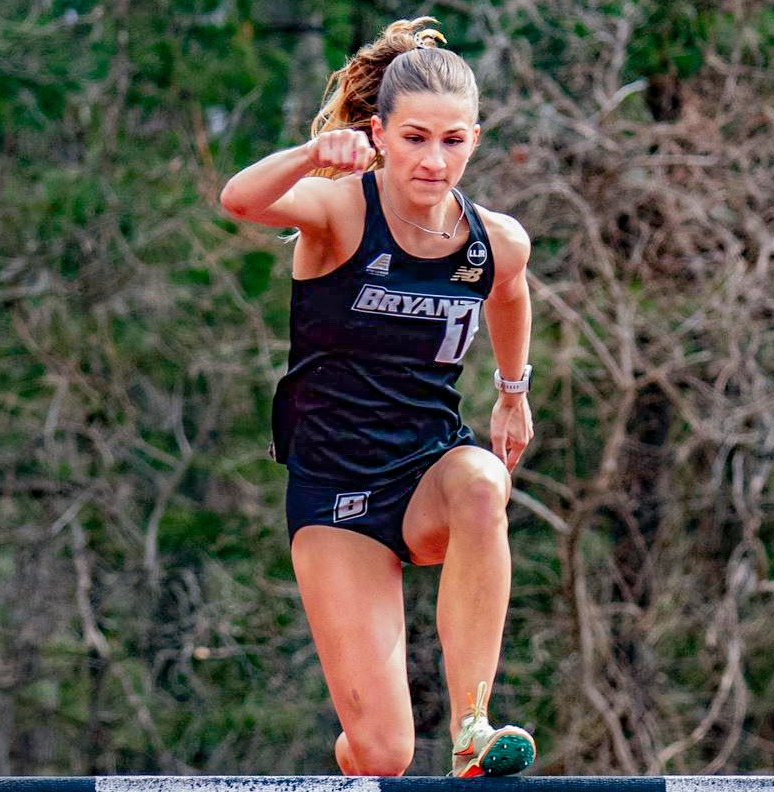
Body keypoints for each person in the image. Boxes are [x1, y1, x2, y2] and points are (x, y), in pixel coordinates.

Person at [219, 17, 537, 778]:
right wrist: (310, 155)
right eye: (417, 138)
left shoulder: (495, 239)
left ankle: (473, 728)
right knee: (384, 754)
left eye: (454, 141)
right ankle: (358, 756)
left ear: (476, 140)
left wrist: (513, 393)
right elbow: (237, 200)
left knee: (483, 483)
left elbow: (511, 292)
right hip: (336, 497)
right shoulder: (338, 212)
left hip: (426, 472)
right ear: (379, 134)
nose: (435, 161)